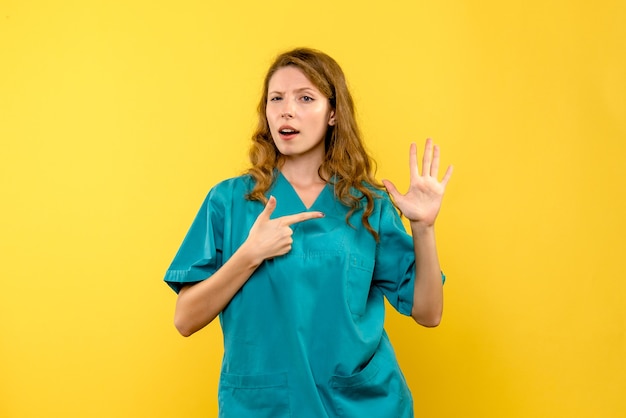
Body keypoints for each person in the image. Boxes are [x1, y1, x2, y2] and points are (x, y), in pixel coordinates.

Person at [164, 47, 453, 418]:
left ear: (333, 113)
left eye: (305, 98)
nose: (287, 109)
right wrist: (249, 254)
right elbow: (185, 319)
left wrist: (423, 228)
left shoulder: (367, 204)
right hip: (265, 406)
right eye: (276, 99)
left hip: (359, 406)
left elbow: (429, 312)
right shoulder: (229, 201)